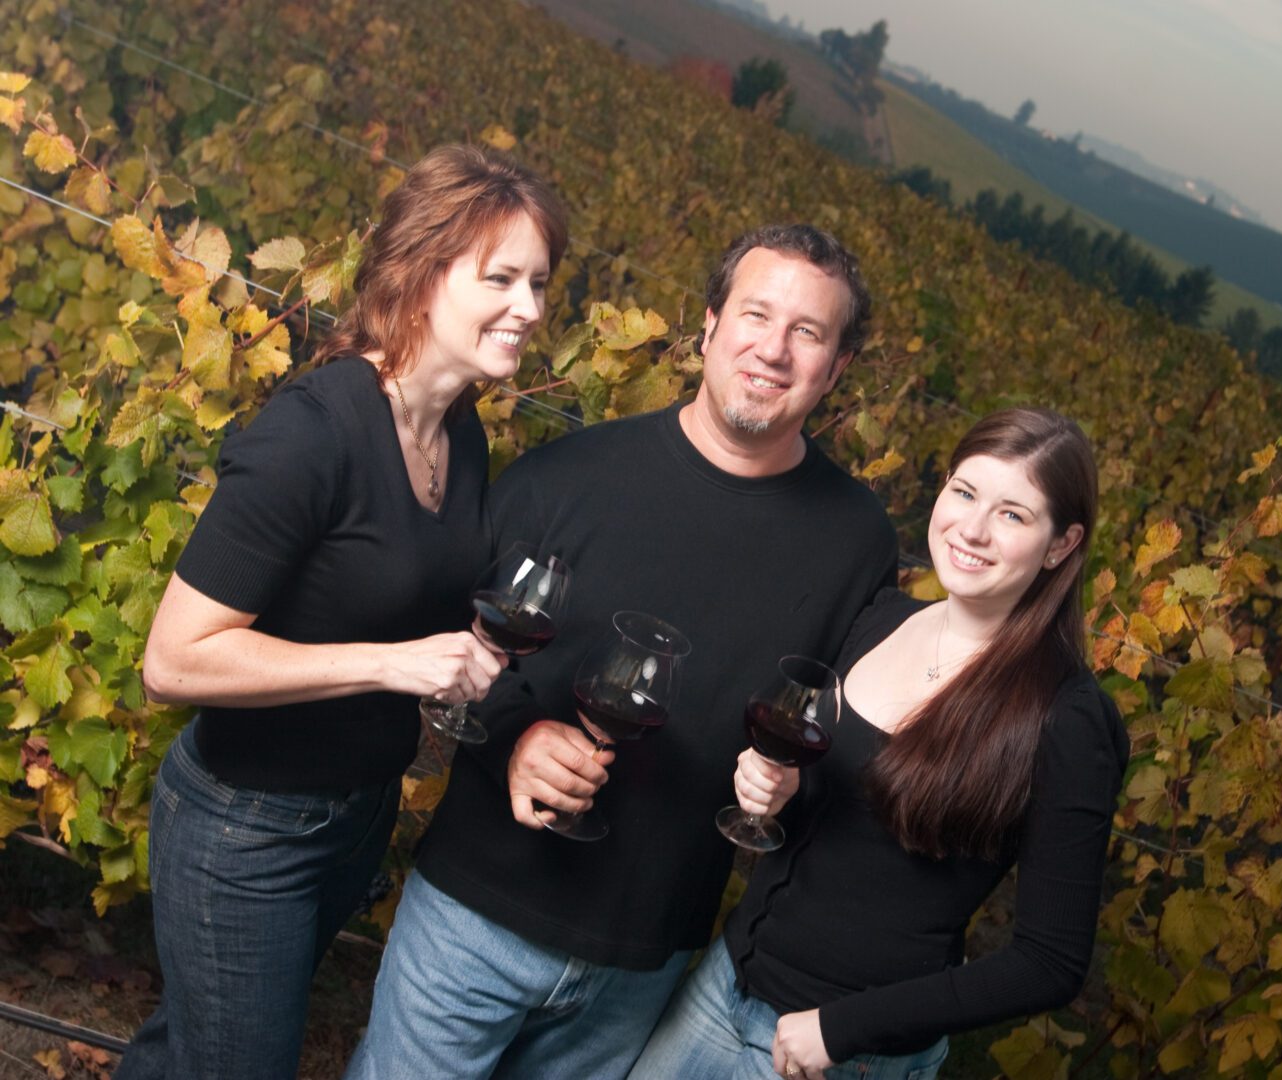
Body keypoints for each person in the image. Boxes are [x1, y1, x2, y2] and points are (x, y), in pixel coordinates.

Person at [346, 224, 899, 1080]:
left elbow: (845, 732)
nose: (774, 350)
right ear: (709, 326)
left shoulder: (857, 541)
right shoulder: (569, 476)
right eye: (756, 315)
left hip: (643, 964)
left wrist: (793, 783)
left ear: (837, 368)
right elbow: (461, 642)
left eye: (808, 333)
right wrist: (520, 735)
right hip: (475, 917)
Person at [115, 144, 568, 1080]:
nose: (531, 308)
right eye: (504, 279)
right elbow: (173, 661)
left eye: (539, 282)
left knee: (185, 1053)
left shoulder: (459, 431)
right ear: (419, 273)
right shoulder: (310, 434)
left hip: (351, 818)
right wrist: (391, 663)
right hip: (245, 829)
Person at [632, 407, 1129, 1080]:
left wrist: (842, 1031)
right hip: (725, 986)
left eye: (1014, 515)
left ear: (1061, 545)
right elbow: (844, 819)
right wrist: (779, 790)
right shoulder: (882, 617)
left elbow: (1050, 964)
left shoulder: (1067, 718)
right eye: (965, 492)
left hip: (839, 1056)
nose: (974, 529)